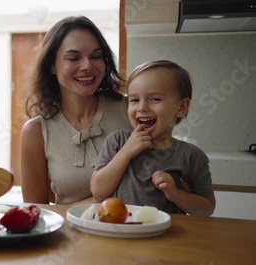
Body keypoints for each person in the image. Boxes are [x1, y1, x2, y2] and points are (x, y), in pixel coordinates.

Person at [20, 16, 132, 205]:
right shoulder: (36, 131)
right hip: (72, 233)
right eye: (73, 58)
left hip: (137, 229)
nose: (87, 66)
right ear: (52, 66)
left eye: (96, 56)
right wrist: (100, 200)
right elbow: (37, 212)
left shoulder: (132, 109)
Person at [91, 60, 216, 216]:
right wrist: (126, 152)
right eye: (135, 100)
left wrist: (177, 194)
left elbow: (207, 209)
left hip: (166, 238)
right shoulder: (117, 142)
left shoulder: (191, 156)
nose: (142, 107)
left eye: (155, 99)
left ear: (181, 108)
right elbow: (98, 193)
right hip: (121, 232)